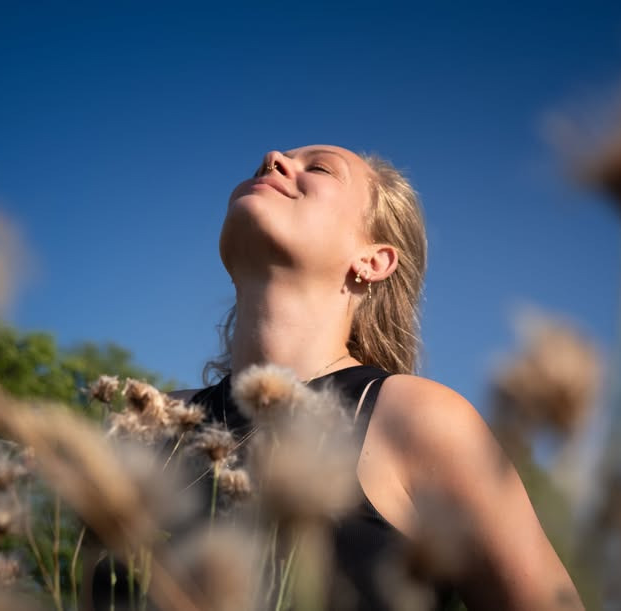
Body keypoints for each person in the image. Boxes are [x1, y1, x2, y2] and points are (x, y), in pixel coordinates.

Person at [192, 144, 582, 610]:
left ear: (373, 261)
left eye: (318, 169)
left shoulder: (418, 418)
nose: (273, 158)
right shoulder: (147, 424)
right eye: (261, 166)